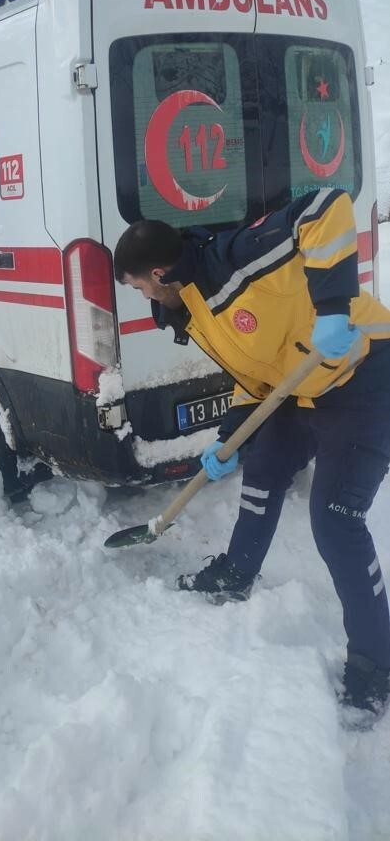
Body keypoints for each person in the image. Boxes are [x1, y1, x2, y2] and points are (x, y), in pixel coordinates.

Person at [114, 188, 390, 721]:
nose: (140, 294)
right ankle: (237, 572)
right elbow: (257, 375)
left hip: (365, 374)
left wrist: (332, 309)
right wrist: (229, 435)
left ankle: (377, 661)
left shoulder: (236, 259)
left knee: (335, 520)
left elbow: (325, 208)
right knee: (261, 467)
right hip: (303, 385)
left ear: (162, 272)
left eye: (138, 284)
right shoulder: (190, 305)